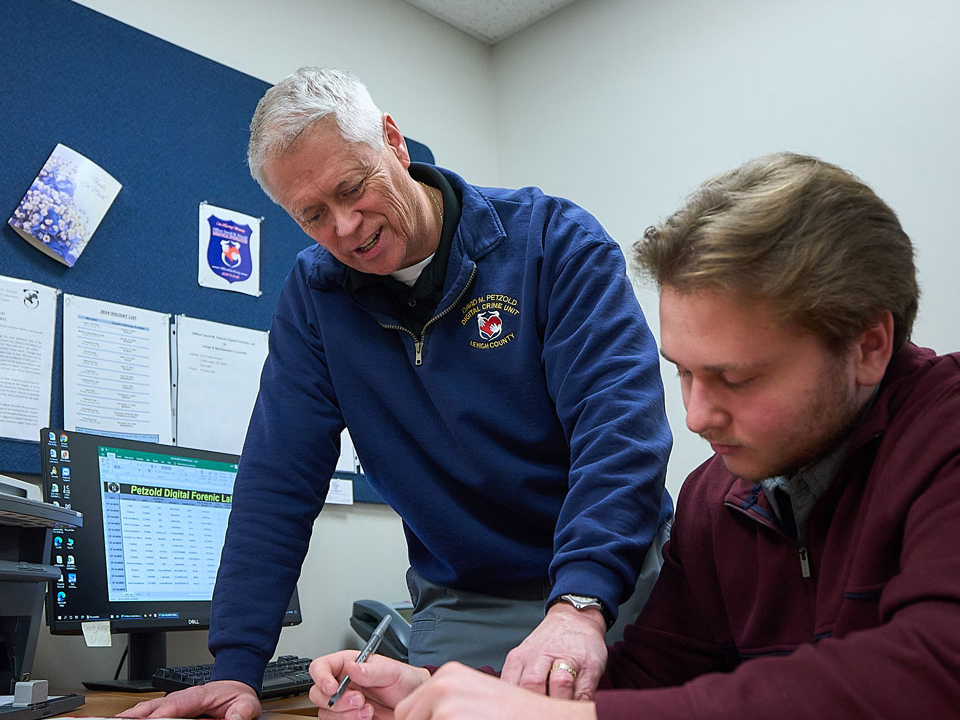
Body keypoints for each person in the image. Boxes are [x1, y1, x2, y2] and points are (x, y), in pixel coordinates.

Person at [296, 151, 960, 719]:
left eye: (735, 379)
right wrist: (455, 694)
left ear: (870, 344)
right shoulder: (717, 500)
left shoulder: (943, 434)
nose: (696, 418)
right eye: (685, 375)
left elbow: (932, 674)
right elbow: (645, 684)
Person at [119, 67, 672, 720]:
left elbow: (620, 432)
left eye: (353, 189)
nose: (346, 228)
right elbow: (278, 478)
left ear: (393, 141)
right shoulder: (316, 296)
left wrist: (579, 603)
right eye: (313, 215)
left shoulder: (554, 243)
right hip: (465, 596)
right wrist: (238, 667)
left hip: (608, 578)